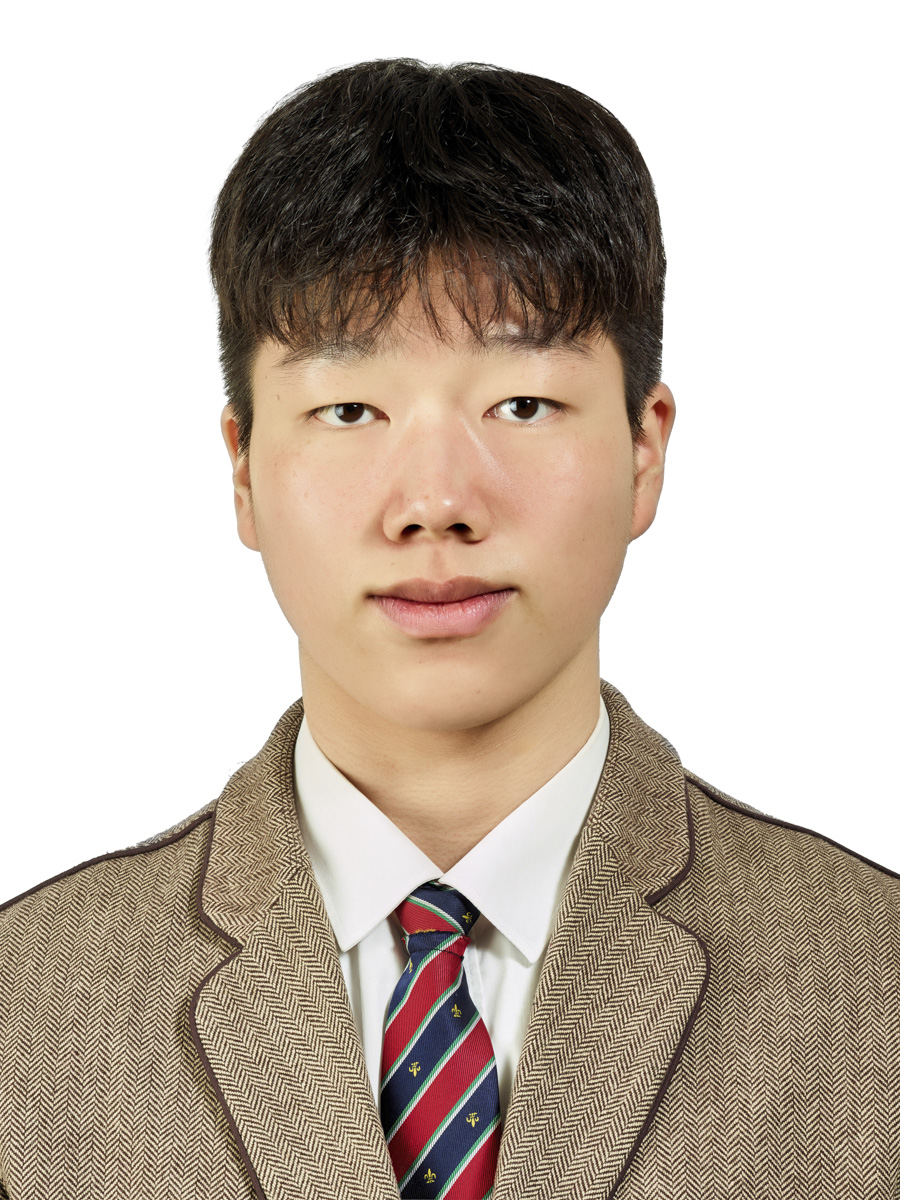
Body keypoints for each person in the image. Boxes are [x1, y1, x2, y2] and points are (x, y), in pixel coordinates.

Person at [0, 56, 897, 1200]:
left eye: (523, 403)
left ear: (644, 449)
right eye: (348, 409)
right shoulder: (28, 1005)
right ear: (243, 468)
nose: (434, 501)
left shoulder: (874, 977)